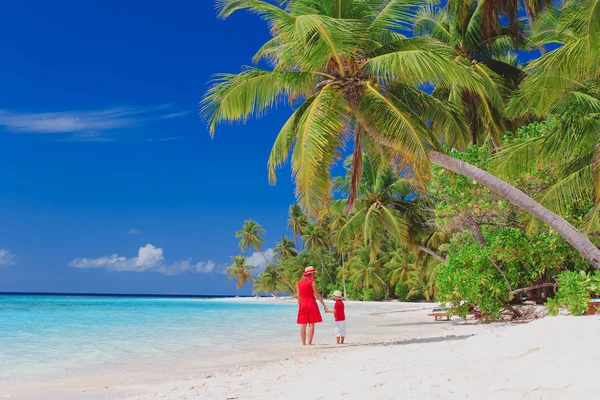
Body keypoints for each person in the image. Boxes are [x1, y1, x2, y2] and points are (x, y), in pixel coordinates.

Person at [296, 266, 328, 345]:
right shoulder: (312, 282)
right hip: (311, 303)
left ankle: (303, 343)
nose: (314, 275)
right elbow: (317, 295)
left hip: (302, 304)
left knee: (303, 325)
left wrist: (299, 306)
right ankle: (309, 343)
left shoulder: (298, 282)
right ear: (311, 273)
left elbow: (298, 296)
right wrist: (324, 305)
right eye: (313, 273)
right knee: (311, 324)